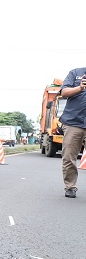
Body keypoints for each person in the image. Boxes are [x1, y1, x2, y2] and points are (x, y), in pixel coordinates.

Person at [58, 66, 86, 198]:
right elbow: (64, 92)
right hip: (73, 122)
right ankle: (70, 187)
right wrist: (79, 88)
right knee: (69, 156)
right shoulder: (75, 73)